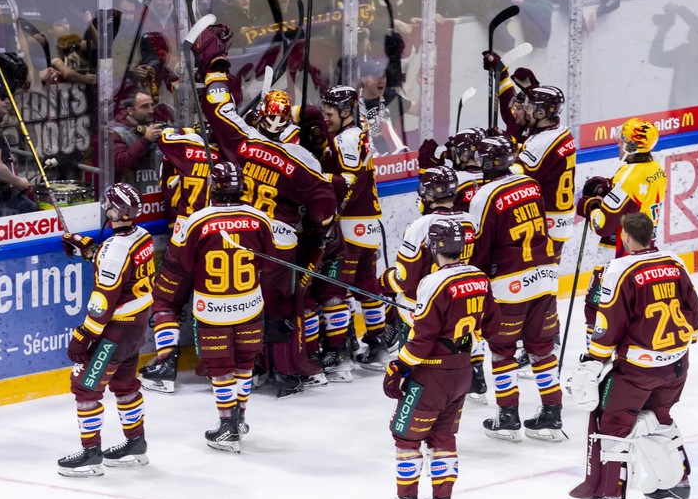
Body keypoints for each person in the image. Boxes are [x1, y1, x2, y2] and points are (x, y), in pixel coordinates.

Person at [192, 28, 337, 397]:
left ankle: (244, 369)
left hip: (240, 234)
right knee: (283, 307)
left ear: (259, 117)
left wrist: (215, 67)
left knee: (241, 305)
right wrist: (320, 233)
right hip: (282, 244)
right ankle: (286, 372)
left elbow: (218, 107)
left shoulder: (241, 139)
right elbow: (324, 203)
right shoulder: (301, 159)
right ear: (287, 123)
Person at [567, 212, 698, 499]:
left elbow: (609, 323)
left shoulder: (620, 269)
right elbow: (693, 310)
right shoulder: (675, 262)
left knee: (614, 423)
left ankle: (610, 496)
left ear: (626, 236)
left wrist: (592, 362)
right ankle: (676, 486)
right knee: (660, 418)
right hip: (677, 363)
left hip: (638, 368)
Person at [374, 218, 499, 499]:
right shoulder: (479, 278)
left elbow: (422, 339)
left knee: (407, 438)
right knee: (443, 439)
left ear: (432, 248)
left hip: (430, 374)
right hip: (461, 371)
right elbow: (492, 326)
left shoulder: (433, 283)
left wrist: (397, 368)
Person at [468, 135, 563, 442]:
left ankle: (508, 415)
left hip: (510, 285)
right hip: (546, 275)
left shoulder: (484, 195)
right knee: (542, 348)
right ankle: (553, 412)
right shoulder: (530, 183)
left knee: (503, 350)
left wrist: (474, 279)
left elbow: (479, 246)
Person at [176, 162, 276, 452]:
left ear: (213, 187)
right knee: (245, 364)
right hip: (249, 306)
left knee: (220, 368)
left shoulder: (199, 221)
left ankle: (227, 425)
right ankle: (239, 418)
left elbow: (184, 264)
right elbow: (269, 265)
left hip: (213, 308)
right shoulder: (259, 219)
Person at [57, 183, 155, 477]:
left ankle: (91, 453)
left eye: (109, 205)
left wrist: (82, 337)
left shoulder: (115, 249)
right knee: (125, 383)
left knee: (86, 386)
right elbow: (121, 268)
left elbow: (103, 301)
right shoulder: (143, 236)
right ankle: (135, 441)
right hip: (136, 328)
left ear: (116, 210)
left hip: (113, 332)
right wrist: (90, 250)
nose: (106, 209)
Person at [378, 166, 486, 403]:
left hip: (425, 306)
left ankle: (415, 396)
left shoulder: (421, 226)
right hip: (462, 301)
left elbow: (407, 280)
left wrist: (385, 280)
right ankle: (474, 375)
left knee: (419, 357)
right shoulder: (470, 221)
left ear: (427, 194)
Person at [576, 117, 667, 350]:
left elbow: (602, 226)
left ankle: (593, 362)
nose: (619, 144)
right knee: (630, 310)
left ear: (631, 146)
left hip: (616, 256)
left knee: (596, 307)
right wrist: (609, 186)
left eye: (622, 141)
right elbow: (632, 199)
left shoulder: (629, 175)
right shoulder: (657, 168)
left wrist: (590, 206)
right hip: (644, 251)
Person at [140, 126, 218, 394]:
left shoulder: (189, 149)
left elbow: (164, 137)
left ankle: (166, 364)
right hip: (221, 239)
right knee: (213, 303)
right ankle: (218, 367)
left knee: (164, 300)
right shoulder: (235, 158)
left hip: (185, 236)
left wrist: (187, 130)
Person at [319, 86, 387, 372]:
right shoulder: (354, 135)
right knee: (366, 284)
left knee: (336, 288)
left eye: (330, 113)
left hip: (350, 225)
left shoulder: (346, 139)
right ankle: (377, 342)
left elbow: (347, 182)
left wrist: (316, 176)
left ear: (346, 112)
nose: (325, 118)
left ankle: (339, 354)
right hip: (367, 222)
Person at [517, 86, 576, 258]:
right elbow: (541, 157)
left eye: (530, 107)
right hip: (560, 217)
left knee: (540, 276)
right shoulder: (562, 131)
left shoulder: (541, 142)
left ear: (541, 114)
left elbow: (517, 173)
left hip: (547, 221)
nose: (527, 110)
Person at [0, 86, 37, 217]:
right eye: (2, 97)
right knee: (30, 213)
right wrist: (19, 182)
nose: (8, 101)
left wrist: (15, 182)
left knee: (29, 208)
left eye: (9, 98)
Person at [110, 90, 166, 194]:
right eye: (145, 106)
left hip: (159, 195)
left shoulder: (157, 127)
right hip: (131, 197)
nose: (151, 111)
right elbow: (121, 162)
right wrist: (146, 140)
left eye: (152, 105)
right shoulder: (117, 132)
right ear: (131, 110)